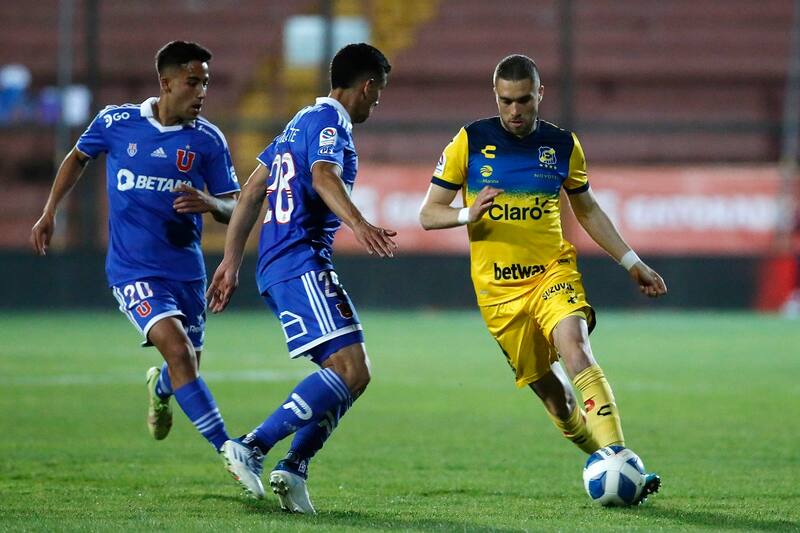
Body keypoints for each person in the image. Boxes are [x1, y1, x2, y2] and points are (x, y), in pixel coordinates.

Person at [418, 54, 667, 504]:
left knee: (575, 346)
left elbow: (586, 209)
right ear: (496, 96)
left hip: (552, 272)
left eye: (524, 100)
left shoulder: (562, 145)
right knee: (558, 400)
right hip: (498, 294)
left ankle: (618, 453)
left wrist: (632, 261)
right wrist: (466, 214)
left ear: (540, 95)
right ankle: (602, 458)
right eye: (506, 101)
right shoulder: (470, 141)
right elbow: (427, 214)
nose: (515, 111)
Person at [206, 43, 394, 513]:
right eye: (379, 92)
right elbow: (325, 176)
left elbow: (252, 191)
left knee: (354, 373)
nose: (378, 103)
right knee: (351, 369)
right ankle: (250, 446)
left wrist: (231, 260)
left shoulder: (299, 122)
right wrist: (360, 223)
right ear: (367, 85)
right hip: (300, 261)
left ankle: (293, 468)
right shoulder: (330, 126)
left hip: (283, 264)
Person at [30, 41, 240, 456]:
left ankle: (159, 387)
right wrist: (50, 210)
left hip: (186, 269)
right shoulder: (116, 122)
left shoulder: (208, 141)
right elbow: (77, 158)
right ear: (166, 83)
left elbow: (238, 207)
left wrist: (214, 204)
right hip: (133, 270)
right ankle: (230, 452)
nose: (201, 92)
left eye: (206, 84)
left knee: (186, 366)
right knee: (178, 350)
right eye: (192, 82)